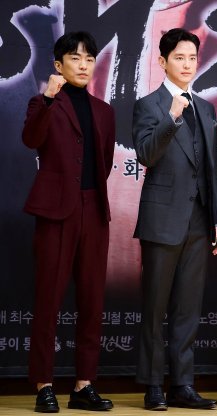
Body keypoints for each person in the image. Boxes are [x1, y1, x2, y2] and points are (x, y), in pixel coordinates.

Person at [132, 28, 217, 411]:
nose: (187, 65)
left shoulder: (205, 107)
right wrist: (171, 117)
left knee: (188, 309)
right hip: (162, 219)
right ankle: (153, 385)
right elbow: (146, 154)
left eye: (192, 58)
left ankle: (183, 384)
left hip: (199, 220)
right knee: (155, 308)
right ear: (162, 61)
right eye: (179, 58)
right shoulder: (149, 104)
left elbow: (212, 168)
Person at [22, 31, 115, 413]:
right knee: (48, 300)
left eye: (89, 58)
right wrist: (47, 98)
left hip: (94, 209)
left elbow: (105, 162)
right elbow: (31, 139)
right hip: (56, 212)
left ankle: (83, 385)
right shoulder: (43, 102)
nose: (83, 65)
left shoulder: (103, 110)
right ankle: (44, 385)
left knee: (92, 301)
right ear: (58, 65)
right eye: (75, 58)